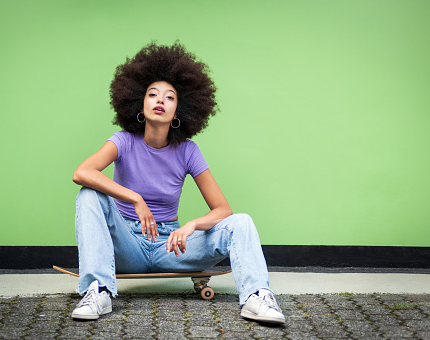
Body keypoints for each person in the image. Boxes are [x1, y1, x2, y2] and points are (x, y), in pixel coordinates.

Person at [70, 42, 285, 325]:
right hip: (126, 245)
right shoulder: (122, 141)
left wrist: (193, 224)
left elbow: (223, 210)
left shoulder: (187, 151)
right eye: (152, 94)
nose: (160, 100)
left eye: (169, 97)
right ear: (139, 104)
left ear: (178, 111)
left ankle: (257, 296)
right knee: (89, 194)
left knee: (241, 222)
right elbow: (82, 172)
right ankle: (97, 291)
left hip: (172, 246)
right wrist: (135, 199)